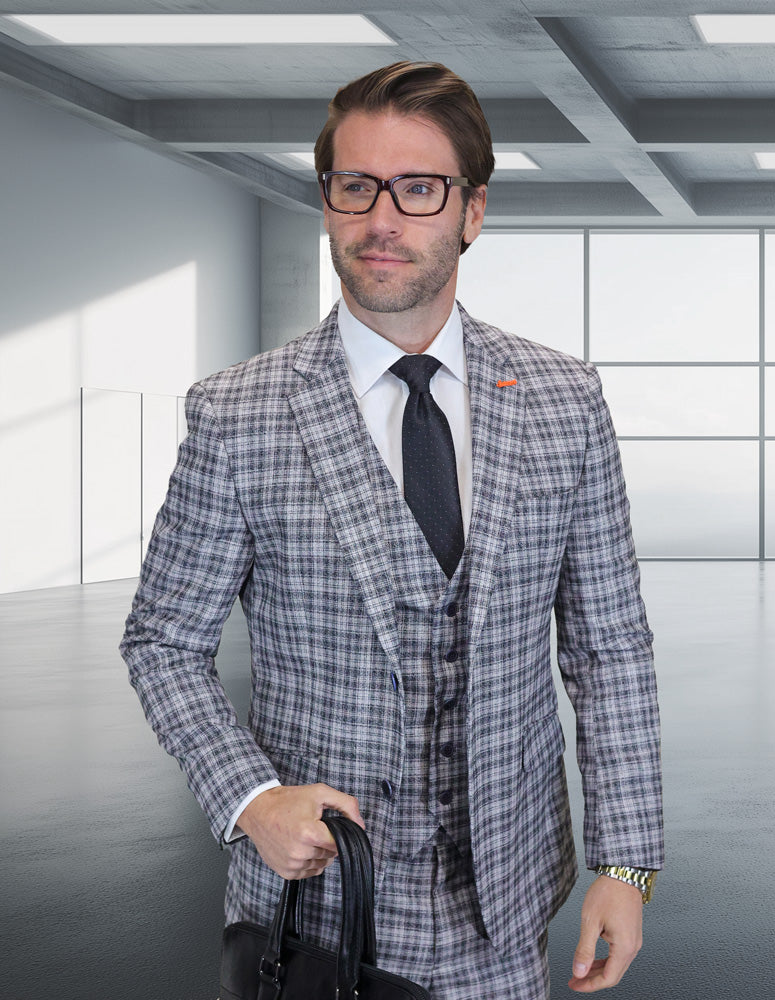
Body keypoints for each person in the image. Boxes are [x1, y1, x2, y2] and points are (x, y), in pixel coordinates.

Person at [121, 61, 663, 1000]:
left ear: (471, 210)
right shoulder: (238, 413)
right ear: (327, 201)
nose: (382, 218)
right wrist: (251, 799)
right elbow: (162, 642)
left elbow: (607, 644)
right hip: (316, 909)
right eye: (355, 186)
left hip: (506, 905)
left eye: (418, 189)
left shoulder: (564, 399)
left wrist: (626, 861)